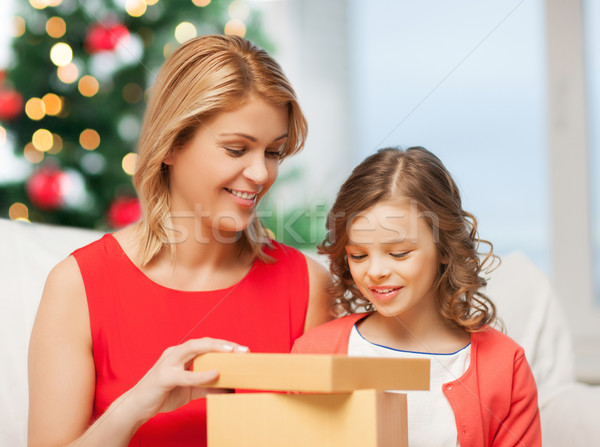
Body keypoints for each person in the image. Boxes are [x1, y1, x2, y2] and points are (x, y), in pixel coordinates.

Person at [28, 35, 332, 447]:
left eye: (274, 153)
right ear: (172, 145)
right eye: (236, 149)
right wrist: (136, 406)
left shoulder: (306, 286)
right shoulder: (78, 286)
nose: (261, 174)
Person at [292, 147, 542, 446]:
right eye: (358, 255)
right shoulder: (314, 352)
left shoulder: (505, 365)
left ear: (444, 249)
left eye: (399, 253)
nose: (375, 272)